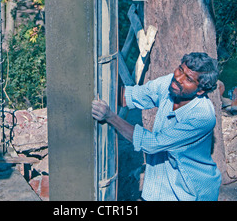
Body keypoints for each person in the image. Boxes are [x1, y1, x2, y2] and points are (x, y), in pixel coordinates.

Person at [92, 52, 222, 201]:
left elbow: (152, 144)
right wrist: (93, 88)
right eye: (180, 69)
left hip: (191, 192)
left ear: (200, 91)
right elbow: (131, 95)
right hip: (161, 186)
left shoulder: (202, 116)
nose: (178, 78)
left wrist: (110, 117)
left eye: (188, 79)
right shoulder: (170, 84)